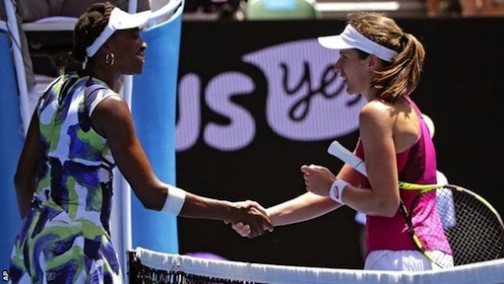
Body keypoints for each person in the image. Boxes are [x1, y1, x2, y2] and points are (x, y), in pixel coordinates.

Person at [8, 2, 272, 283]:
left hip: (31, 252)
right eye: (133, 36)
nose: (143, 45)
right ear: (108, 47)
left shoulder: (54, 90)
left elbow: (22, 179)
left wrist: (43, 231)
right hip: (82, 259)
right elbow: (152, 195)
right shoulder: (111, 107)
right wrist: (229, 211)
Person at [232, 12, 452, 272]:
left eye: (344, 58)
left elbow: (384, 203)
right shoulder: (407, 111)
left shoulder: (375, 114)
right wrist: (265, 218)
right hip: (431, 260)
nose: (337, 67)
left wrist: (332, 187)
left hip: (399, 260)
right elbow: (332, 198)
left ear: (370, 62)